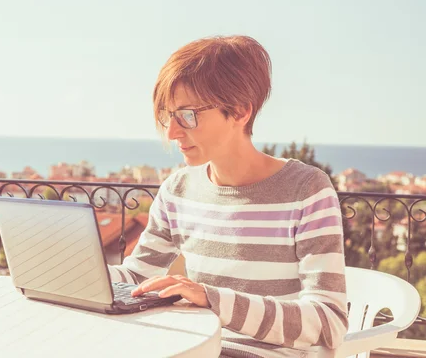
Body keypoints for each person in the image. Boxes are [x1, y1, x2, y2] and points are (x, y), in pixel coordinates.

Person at [108, 36, 348, 358]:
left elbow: (328, 321)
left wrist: (211, 298)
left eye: (188, 115)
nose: (172, 132)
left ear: (239, 111)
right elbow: (138, 276)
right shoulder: (177, 190)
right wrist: (75, 274)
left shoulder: (306, 190)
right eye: (169, 116)